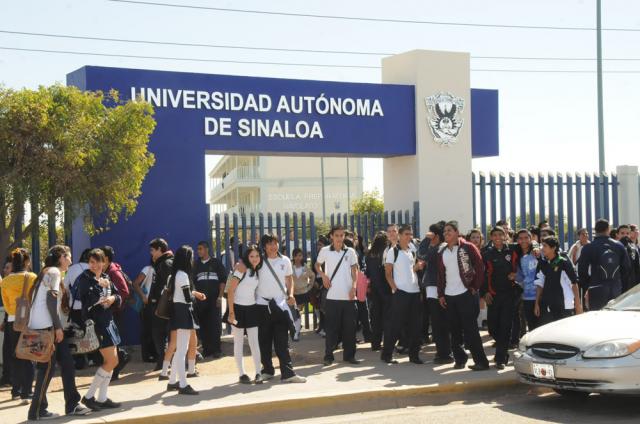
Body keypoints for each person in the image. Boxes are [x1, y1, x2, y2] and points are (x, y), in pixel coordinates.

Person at [28, 245, 91, 420]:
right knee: (46, 369)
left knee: (67, 364)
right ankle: (37, 411)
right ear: (61, 257)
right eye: (69, 257)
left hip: (42, 326)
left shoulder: (46, 272)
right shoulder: (54, 272)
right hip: (47, 328)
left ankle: (71, 404)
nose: (70, 260)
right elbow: (50, 300)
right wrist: (57, 327)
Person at [437, 221, 490, 371]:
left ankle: (481, 362)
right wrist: (441, 294)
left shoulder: (468, 247)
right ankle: (460, 360)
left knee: (471, 330)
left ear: (456, 232)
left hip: (466, 294)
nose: (446, 233)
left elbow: (480, 267)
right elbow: (440, 275)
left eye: (449, 231)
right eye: (444, 231)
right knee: (454, 331)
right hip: (449, 295)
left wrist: (474, 287)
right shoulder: (442, 252)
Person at [253, 233, 306, 383]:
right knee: (264, 340)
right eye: (269, 243)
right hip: (262, 305)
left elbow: (289, 279)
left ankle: (288, 373)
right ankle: (267, 371)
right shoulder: (259, 261)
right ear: (264, 246)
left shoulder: (285, 260)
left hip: (280, 305)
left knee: (282, 341)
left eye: (275, 243)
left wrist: (290, 294)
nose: (273, 246)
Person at [78, 248, 122, 411]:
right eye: (91, 262)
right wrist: (98, 285)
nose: (94, 265)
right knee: (112, 361)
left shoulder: (106, 276)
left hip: (109, 321)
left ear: (104, 262)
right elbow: (86, 298)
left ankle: (102, 398)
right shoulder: (85, 278)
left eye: (98, 261)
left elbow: (118, 296)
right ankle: (89, 396)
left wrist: (112, 298)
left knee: (111, 361)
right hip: (97, 323)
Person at [316, 225, 360, 366]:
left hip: (348, 297)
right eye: (337, 235)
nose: (340, 238)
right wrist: (323, 276)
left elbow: (355, 270)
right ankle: (328, 356)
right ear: (331, 237)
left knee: (350, 329)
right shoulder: (325, 251)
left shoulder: (350, 251)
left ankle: (349, 356)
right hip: (332, 297)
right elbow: (317, 265)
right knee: (331, 329)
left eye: (342, 235)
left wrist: (354, 287)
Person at [381, 224, 425, 365]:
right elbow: (388, 274)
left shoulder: (412, 251)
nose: (409, 236)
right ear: (399, 235)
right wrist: (395, 289)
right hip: (401, 293)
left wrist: (417, 267)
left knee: (416, 326)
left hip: (414, 292)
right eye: (406, 234)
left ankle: (414, 356)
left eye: (410, 234)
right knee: (395, 325)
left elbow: (411, 269)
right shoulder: (392, 252)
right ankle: (387, 355)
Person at [166, 245, 206, 395]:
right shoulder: (182, 275)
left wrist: (194, 293)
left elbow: (186, 293)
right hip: (183, 311)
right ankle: (182, 384)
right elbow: (187, 297)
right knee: (182, 350)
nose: (192, 260)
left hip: (180, 311)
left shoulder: (178, 274)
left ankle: (172, 382)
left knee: (180, 349)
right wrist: (195, 296)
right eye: (191, 257)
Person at [0, 248, 36, 403]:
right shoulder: (33, 277)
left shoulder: (6, 280)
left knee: (15, 356)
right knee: (29, 356)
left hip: (12, 323)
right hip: (30, 321)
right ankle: (27, 392)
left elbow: (7, 306)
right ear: (27, 261)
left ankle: (16, 390)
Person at [481, 227, 518, 369]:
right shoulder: (486, 253)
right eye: (494, 235)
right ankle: (502, 350)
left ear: (505, 236)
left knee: (505, 326)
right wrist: (485, 292)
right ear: (491, 237)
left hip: (510, 294)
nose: (497, 237)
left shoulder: (513, 249)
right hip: (493, 295)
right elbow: (483, 275)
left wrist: (516, 275)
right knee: (493, 328)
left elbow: (530, 246)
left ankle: (501, 357)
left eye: (500, 234)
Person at [226, 246, 263, 384]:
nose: (254, 259)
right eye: (252, 256)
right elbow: (230, 291)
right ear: (247, 257)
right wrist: (231, 312)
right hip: (237, 309)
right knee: (239, 342)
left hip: (252, 308)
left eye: (257, 256)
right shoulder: (241, 268)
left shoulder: (257, 270)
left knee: (254, 342)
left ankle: (258, 372)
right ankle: (242, 374)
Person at [418, 221, 453, 364]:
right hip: (444, 289)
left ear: (435, 236)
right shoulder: (445, 248)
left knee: (438, 324)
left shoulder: (437, 249)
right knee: (443, 323)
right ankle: (446, 352)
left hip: (434, 290)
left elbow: (421, 254)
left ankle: (443, 354)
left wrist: (426, 240)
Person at [578, 219, 631, 311]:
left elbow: (582, 271)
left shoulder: (588, 247)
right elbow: (626, 268)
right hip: (616, 288)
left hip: (595, 288)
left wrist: (588, 287)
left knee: (597, 318)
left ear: (595, 230)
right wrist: (619, 284)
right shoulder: (619, 246)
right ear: (608, 229)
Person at [534, 237, 583, 323]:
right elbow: (539, 284)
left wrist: (578, 305)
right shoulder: (543, 263)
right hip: (548, 306)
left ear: (553, 248)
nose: (542, 248)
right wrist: (536, 303)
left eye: (545, 246)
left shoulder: (563, 262)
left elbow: (574, 283)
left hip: (564, 306)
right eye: (542, 246)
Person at [101, 246, 131, 380]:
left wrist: (113, 302)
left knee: (113, 343)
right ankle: (121, 359)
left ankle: (117, 367)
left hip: (115, 312)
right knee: (111, 343)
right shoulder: (106, 271)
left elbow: (124, 292)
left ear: (106, 258)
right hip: (110, 312)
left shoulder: (113, 272)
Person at [193, 241, 227, 358]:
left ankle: (216, 350)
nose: (198, 251)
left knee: (215, 325)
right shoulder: (196, 265)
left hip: (214, 300)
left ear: (207, 249)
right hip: (200, 302)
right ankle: (207, 350)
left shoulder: (216, 263)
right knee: (203, 325)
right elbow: (192, 283)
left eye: (200, 249)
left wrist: (220, 296)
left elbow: (223, 281)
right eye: (197, 249)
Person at [147, 238, 174, 371]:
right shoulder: (162, 263)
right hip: (165, 306)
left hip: (163, 306)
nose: (151, 253)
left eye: (152, 250)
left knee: (159, 334)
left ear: (159, 249)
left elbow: (167, 286)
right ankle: (165, 361)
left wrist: (158, 301)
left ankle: (164, 361)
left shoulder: (166, 264)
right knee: (165, 334)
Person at [63, 248, 91, 369]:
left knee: (77, 333)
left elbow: (64, 287)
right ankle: (94, 358)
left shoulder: (72, 268)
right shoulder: (93, 268)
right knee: (91, 332)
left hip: (75, 307)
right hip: (91, 307)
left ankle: (80, 361)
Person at [366, 233, 390, 352]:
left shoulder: (370, 254)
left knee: (375, 318)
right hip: (386, 289)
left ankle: (375, 343)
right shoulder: (386, 253)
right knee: (387, 318)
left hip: (374, 290)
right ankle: (386, 344)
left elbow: (367, 273)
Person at [514, 229, 540, 332]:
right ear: (517, 240)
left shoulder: (538, 252)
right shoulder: (518, 256)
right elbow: (521, 277)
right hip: (527, 297)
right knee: (532, 326)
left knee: (542, 325)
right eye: (521, 238)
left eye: (526, 238)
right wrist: (515, 276)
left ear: (531, 239)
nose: (523, 240)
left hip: (541, 295)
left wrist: (536, 246)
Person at [131, 259, 156, 363]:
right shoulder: (148, 269)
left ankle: (156, 354)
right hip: (148, 304)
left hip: (159, 303)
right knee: (147, 331)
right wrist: (143, 296)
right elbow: (135, 283)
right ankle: (147, 356)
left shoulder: (163, 269)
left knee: (156, 330)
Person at [291, 248, 314, 341]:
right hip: (293, 293)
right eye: (296, 255)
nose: (298, 257)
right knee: (294, 312)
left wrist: (309, 287)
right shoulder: (290, 266)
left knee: (297, 312)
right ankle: (296, 329)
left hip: (303, 293)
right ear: (293, 256)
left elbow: (312, 276)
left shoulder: (305, 267)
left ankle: (296, 332)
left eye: (300, 255)